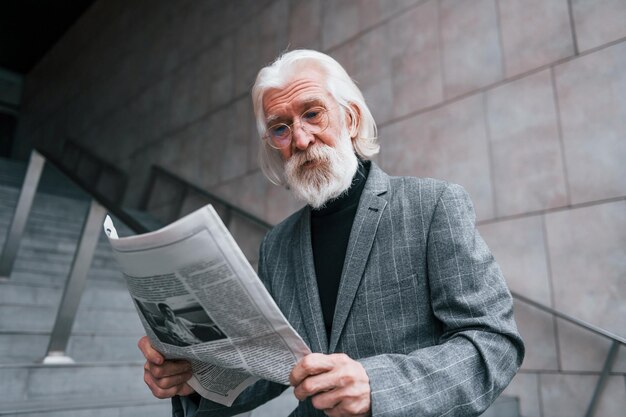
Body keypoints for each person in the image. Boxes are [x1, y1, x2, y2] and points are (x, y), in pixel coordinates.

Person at [138, 49, 524, 417]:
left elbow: (494, 343)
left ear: (351, 119)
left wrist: (378, 385)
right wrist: (195, 380)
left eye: (312, 114)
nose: (301, 140)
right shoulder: (278, 245)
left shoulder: (433, 205)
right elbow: (272, 369)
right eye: (281, 128)